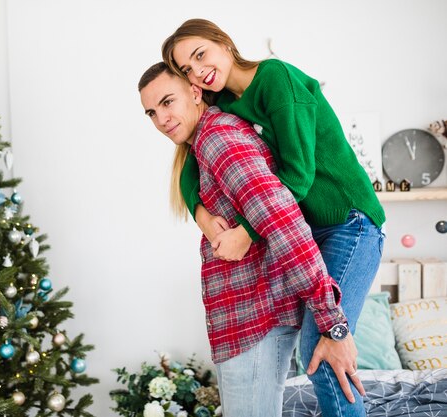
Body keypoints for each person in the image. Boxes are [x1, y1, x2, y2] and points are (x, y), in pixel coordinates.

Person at [161, 18, 385, 417]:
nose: (199, 72)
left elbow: (298, 175)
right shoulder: (225, 105)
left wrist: (246, 233)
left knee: (323, 339)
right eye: (187, 70)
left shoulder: (275, 78)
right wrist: (200, 212)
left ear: (224, 43)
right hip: (314, 228)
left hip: (350, 221)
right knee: (313, 343)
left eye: (200, 55)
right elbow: (190, 165)